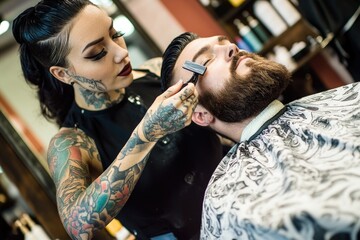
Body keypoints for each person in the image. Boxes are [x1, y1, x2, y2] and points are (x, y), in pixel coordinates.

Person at [12, 2, 224, 239]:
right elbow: (78, 227)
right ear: (63, 73)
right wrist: (146, 134)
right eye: (97, 53)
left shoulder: (156, 71)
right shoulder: (72, 142)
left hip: (243, 201)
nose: (122, 52)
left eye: (116, 35)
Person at [161, 32, 360, 240]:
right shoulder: (229, 204)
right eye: (206, 60)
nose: (231, 48)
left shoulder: (337, 100)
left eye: (225, 43)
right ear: (201, 115)